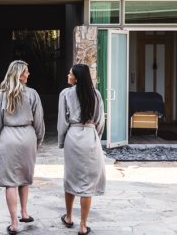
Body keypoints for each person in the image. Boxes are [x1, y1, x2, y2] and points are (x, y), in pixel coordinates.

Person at [0, 60, 45, 235]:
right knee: (24, 176)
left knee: (10, 181)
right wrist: (38, 141)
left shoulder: (1, 94)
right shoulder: (33, 94)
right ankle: (24, 212)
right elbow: (39, 121)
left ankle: (14, 222)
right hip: (28, 136)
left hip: (8, 137)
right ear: (18, 74)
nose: (28, 74)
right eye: (26, 72)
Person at [57, 64, 105, 235]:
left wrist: (62, 141)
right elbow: (100, 121)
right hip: (90, 136)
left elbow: (62, 122)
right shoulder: (96, 94)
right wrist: (95, 138)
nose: (67, 75)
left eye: (70, 73)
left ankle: (69, 217)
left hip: (73, 136)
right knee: (86, 183)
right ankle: (83, 225)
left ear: (76, 77)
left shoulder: (66, 94)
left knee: (70, 178)